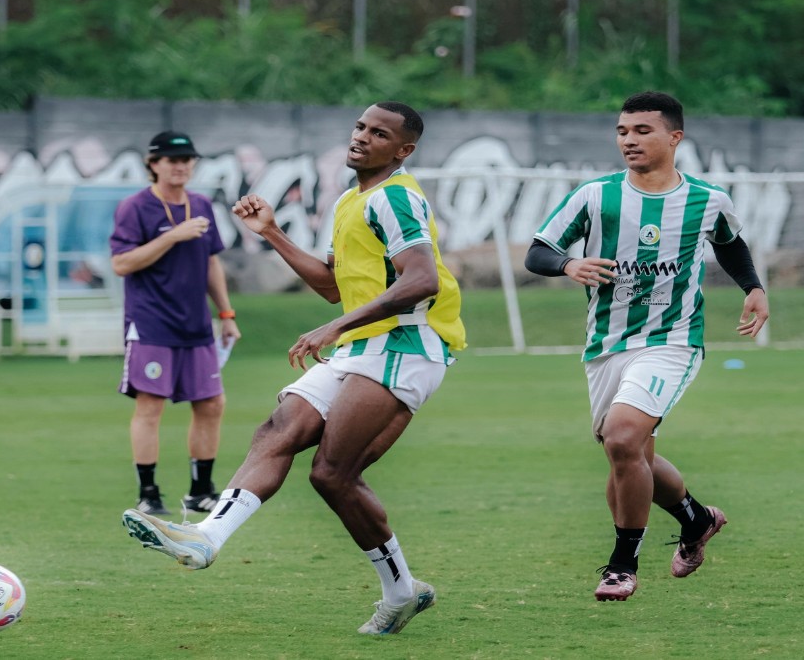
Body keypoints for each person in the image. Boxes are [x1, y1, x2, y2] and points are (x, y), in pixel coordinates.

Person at [122, 102, 466, 635]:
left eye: (379, 134)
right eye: (359, 127)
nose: (361, 138)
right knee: (279, 428)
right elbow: (332, 286)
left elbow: (421, 280)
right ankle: (208, 537)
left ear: (403, 151)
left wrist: (335, 328)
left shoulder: (396, 196)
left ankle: (401, 591)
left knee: (333, 473)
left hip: (407, 342)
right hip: (363, 342)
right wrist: (273, 232)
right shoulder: (355, 199)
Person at [524, 91, 769, 601]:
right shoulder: (594, 195)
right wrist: (569, 265)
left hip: (673, 341)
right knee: (628, 454)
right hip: (606, 345)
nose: (629, 140)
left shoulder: (707, 199)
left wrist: (754, 289)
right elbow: (539, 251)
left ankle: (621, 565)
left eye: (642, 131)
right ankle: (696, 519)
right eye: (622, 132)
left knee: (621, 438)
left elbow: (729, 243)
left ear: (674, 137)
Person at [110, 131, 241, 516]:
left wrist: (226, 314)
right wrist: (173, 237)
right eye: (171, 159)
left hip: (196, 325)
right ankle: (148, 494)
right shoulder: (134, 207)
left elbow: (211, 263)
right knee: (150, 407)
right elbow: (121, 263)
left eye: (187, 159)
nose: (180, 165)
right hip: (151, 324)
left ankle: (201, 490)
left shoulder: (201, 204)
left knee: (212, 404)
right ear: (154, 164)